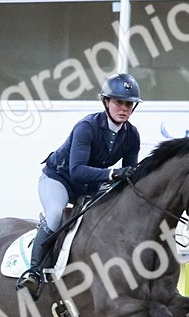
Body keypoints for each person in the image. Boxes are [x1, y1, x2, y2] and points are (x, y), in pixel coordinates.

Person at [16, 73, 143, 299]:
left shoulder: (132, 135)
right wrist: (113, 173)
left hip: (91, 186)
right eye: (118, 102)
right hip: (60, 179)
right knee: (55, 215)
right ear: (106, 102)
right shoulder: (87, 127)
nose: (123, 108)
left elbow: (128, 176)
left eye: (128, 104)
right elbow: (77, 170)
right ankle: (33, 272)